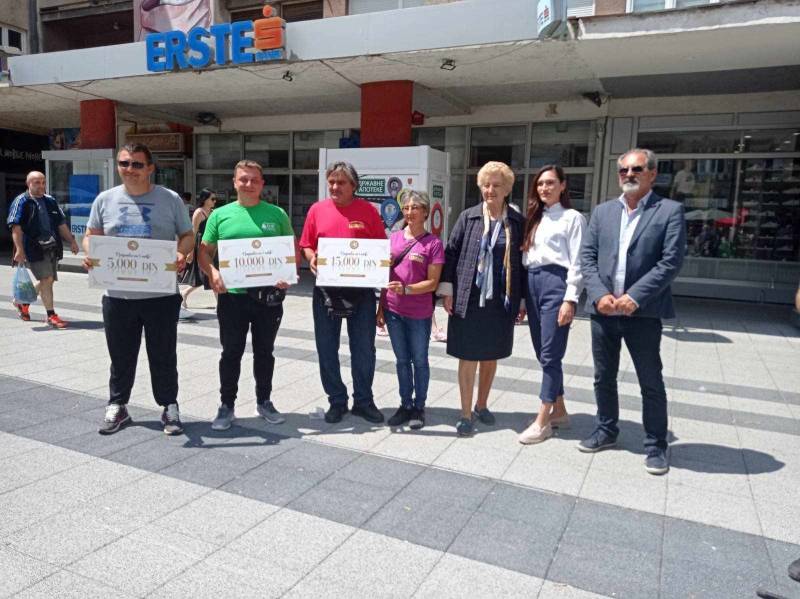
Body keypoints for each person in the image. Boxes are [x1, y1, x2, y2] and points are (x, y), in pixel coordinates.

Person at [579, 148, 686, 475]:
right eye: (623, 170)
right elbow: (587, 257)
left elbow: (670, 261)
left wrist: (635, 297)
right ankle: (606, 430)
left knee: (650, 380)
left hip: (643, 313)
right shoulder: (603, 212)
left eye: (636, 169)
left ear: (652, 174)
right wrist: (599, 294)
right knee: (603, 376)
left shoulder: (669, 211)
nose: (629, 174)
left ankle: (656, 444)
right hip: (604, 311)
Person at [83, 143, 194, 436]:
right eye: (124, 163)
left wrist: (181, 253)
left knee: (163, 355)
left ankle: (169, 406)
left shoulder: (170, 199)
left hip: (161, 295)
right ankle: (118, 405)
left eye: (136, 164)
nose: (129, 169)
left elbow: (187, 235)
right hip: (118, 296)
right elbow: (92, 235)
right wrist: (91, 252)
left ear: (150, 168)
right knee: (120, 356)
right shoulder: (104, 200)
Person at [199, 161, 295, 430]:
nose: (248, 184)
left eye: (254, 180)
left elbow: (291, 251)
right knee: (231, 352)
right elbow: (204, 252)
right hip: (232, 297)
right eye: (243, 179)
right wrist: (212, 272)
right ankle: (226, 405)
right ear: (234, 182)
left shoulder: (277, 214)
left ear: (262, 184)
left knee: (265, 352)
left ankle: (264, 401)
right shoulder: (219, 215)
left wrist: (286, 275)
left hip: (268, 298)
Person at [438, 161, 525, 436]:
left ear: (507, 189)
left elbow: (523, 264)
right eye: (486, 185)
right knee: (468, 355)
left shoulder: (517, 222)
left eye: (496, 185)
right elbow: (451, 252)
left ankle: (482, 404)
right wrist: (448, 290)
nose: (490, 190)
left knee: (490, 354)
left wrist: (522, 300)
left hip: (500, 301)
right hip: (469, 297)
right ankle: (465, 413)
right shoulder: (469, 217)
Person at [299, 161, 386, 424]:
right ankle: (337, 401)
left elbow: (381, 249)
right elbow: (306, 244)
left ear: (354, 185)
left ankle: (363, 401)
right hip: (326, 290)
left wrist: (383, 269)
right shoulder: (317, 210)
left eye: (341, 182)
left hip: (361, 291)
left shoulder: (368, 210)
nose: (335, 187)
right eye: (332, 182)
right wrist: (312, 258)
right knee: (327, 348)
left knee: (364, 349)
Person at [518, 165, 586, 444]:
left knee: (550, 353)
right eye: (540, 184)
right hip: (532, 283)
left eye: (550, 183)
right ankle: (560, 411)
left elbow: (579, 262)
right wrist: (524, 298)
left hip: (556, 284)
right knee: (542, 351)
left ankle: (543, 420)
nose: (544, 188)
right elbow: (526, 259)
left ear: (563, 186)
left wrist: (570, 299)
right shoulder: (535, 218)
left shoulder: (573, 218)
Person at [377, 189, 444, 430]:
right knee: (402, 361)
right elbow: (384, 276)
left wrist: (406, 289)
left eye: (415, 207)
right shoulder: (393, 238)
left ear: (425, 212)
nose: (409, 212)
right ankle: (405, 404)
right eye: (406, 207)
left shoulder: (433, 243)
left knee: (420, 360)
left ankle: (419, 407)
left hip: (419, 313)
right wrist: (381, 308)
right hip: (393, 311)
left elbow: (433, 283)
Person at [7, 171, 80, 328]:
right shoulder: (22, 201)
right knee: (47, 279)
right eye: (37, 183)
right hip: (33, 248)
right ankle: (51, 315)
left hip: (52, 246)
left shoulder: (50, 201)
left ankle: (22, 302)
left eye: (43, 182)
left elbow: (61, 224)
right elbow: (16, 227)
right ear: (28, 184)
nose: (41, 186)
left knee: (48, 280)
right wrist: (19, 249)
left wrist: (72, 241)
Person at [180, 188, 217, 316]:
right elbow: (194, 232)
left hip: (211, 245)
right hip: (200, 246)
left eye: (215, 199)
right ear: (205, 199)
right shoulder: (198, 212)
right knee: (207, 274)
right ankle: (220, 304)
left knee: (208, 274)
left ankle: (185, 293)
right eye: (212, 199)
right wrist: (190, 252)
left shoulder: (213, 212)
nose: (215, 201)